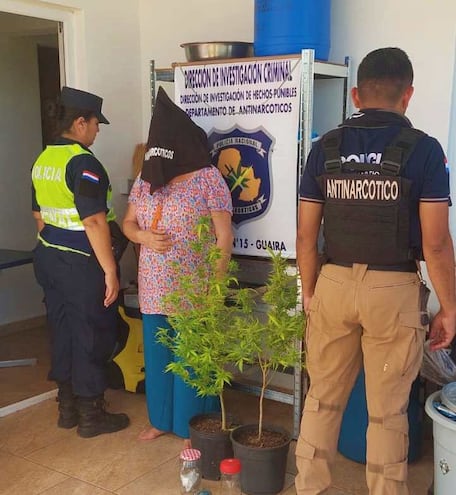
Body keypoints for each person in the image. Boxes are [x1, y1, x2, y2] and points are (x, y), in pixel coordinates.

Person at [295, 47, 456, 495]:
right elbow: (436, 243)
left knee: (322, 400)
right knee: (386, 413)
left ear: (355, 94)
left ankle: (310, 489)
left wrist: (310, 293)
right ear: (408, 94)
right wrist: (451, 308)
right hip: (393, 291)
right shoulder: (424, 151)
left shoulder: (324, 148)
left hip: (331, 283)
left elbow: (306, 237)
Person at [122, 87, 233, 446]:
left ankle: (191, 428)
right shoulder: (146, 179)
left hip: (194, 287)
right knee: (158, 357)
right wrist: (143, 238)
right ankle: (160, 420)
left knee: (190, 361)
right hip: (154, 286)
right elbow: (127, 224)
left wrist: (215, 287)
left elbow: (223, 237)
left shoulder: (207, 179)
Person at [31, 86, 130, 438]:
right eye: (95, 123)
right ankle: (91, 414)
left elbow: (39, 216)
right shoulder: (83, 162)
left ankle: (67, 406)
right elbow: (93, 221)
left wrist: (54, 248)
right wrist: (109, 270)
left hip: (48, 256)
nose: (98, 130)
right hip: (80, 262)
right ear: (79, 122)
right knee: (91, 332)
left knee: (63, 330)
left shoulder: (43, 160)